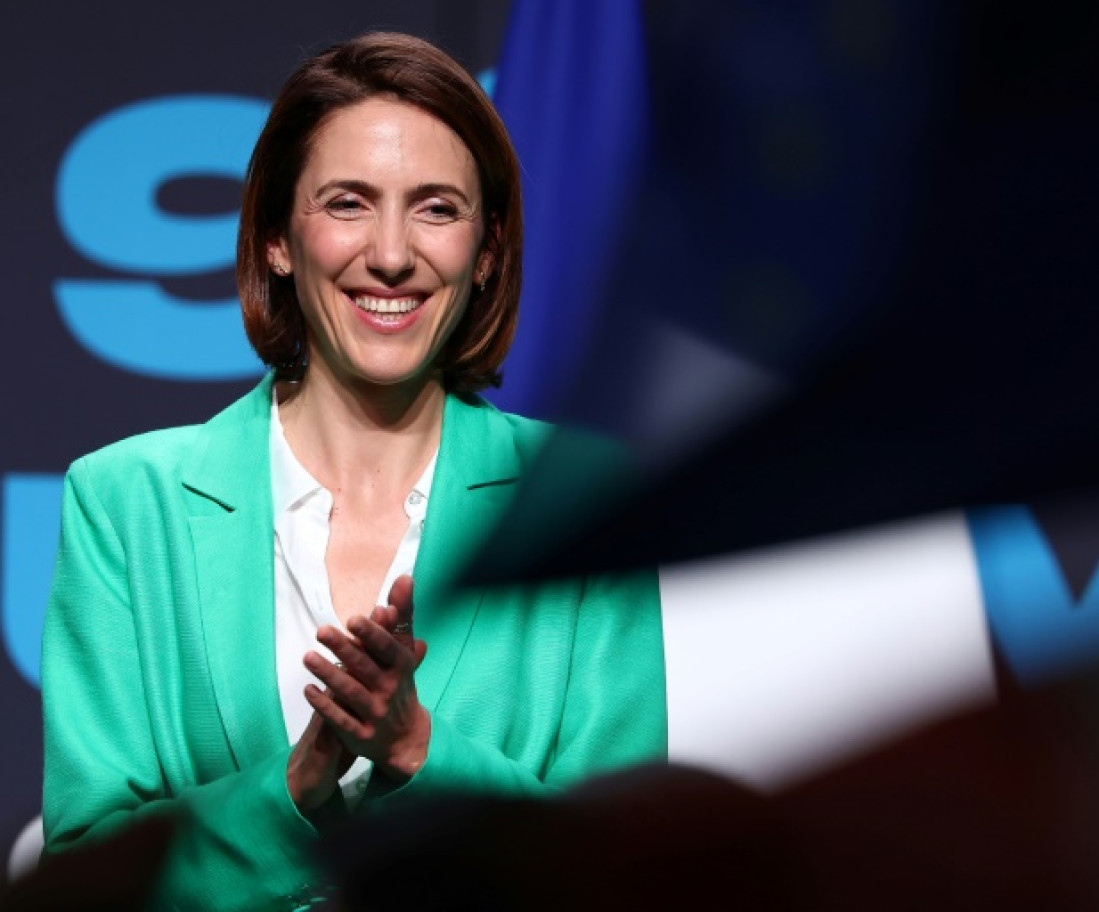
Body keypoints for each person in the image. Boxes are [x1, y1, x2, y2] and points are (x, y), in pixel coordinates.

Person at [41, 32, 666, 910]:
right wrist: (292, 792)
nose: (391, 254)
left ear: (486, 252)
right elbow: (83, 879)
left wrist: (415, 746)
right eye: (348, 203)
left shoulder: (584, 498)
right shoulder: (124, 502)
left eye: (437, 208)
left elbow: (632, 867)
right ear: (275, 241)